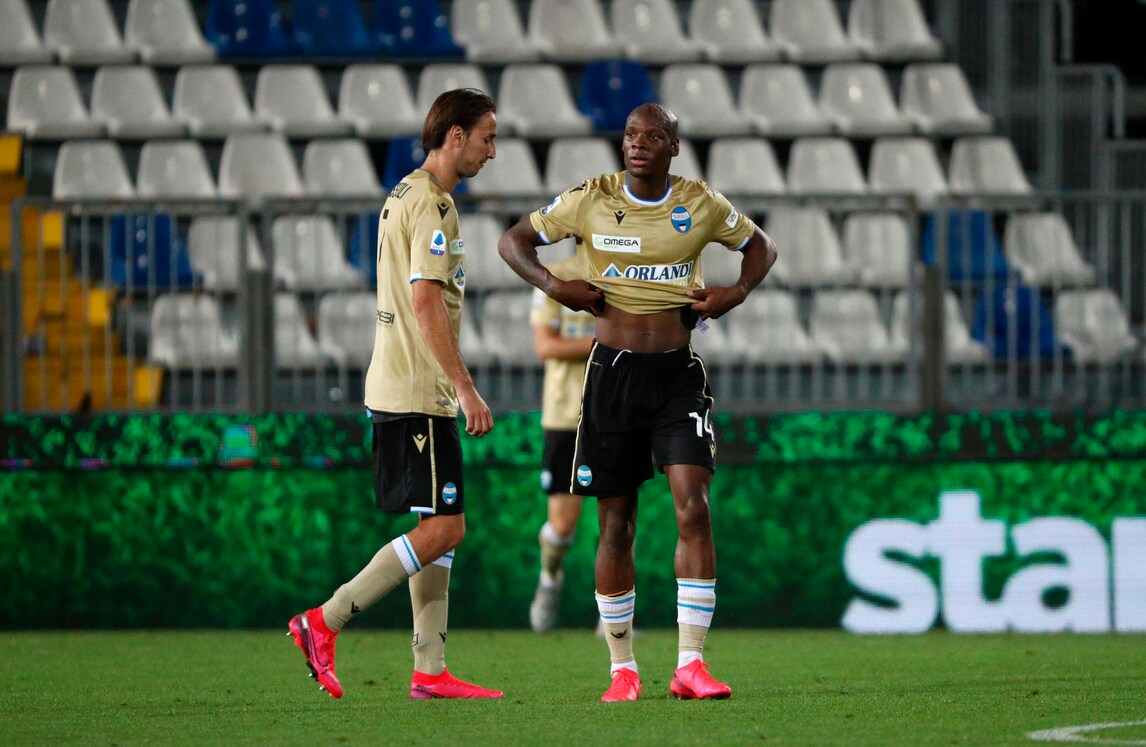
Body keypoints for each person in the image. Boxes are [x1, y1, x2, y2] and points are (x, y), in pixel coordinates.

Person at [498, 103, 778, 702]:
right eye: (630, 134)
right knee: (616, 525)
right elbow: (513, 241)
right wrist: (556, 286)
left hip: (678, 375)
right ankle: (622, 668)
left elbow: (762, 248)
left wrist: (735, 292)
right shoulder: (591, 198)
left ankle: (690, 665)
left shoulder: (700, 202)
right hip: (612, 376)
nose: (638, 143)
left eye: (653, 135)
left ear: (673, 146)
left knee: (693, 508)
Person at [289, 88, 503, 701]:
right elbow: (425, 300)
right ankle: (324, 620)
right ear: (456, 136)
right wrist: (465, 388)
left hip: (399, 383)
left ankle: (430, 670)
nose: (492, 151)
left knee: (437, 523)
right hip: (417, 390)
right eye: (486, 138)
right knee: (446, 529)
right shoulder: (432, 205)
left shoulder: (402, 193)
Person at [527, 251, 597, 633]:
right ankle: (550, 578)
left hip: (618, 414)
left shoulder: (630, 270)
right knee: (562, 524)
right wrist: (606, 341)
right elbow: (546, 345)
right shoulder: (555, 278)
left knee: (621, 518)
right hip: (566, 413)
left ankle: (615, 617)